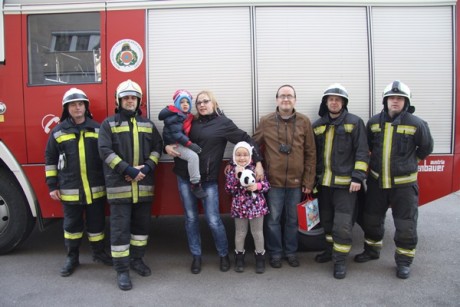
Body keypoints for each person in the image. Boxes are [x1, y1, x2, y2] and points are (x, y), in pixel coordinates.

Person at [165, 90, 263, 274]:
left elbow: (246, 140)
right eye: (199, 102)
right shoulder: (188, 120)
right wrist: (167, 146)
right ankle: (196, 256)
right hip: (184, 177)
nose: (202, 105)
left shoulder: (223, 124)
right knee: (191, 219)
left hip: (208, 180)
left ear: (214, 103)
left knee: (213, 220)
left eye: (206, 101)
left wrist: (257, 162)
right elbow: (171, 134)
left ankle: (223, 254)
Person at [354, 80, 434, 279]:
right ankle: (372, 251)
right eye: (392, 98)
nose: (395, 101)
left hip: (404, 186)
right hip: (377, 182)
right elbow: (368, 146)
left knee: (405, 225)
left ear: (406, 102)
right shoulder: (373, 123)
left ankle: (404, 262)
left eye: (400, 98)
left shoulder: (417, 124)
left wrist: (409, 162)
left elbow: (426, 148)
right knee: (371, 220)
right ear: (385, 101)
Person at [98, 79, 163, 290]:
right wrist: (128, 170)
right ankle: (122, 270)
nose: (129, 101)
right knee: (120, 231)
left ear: (139, 101)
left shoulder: (148, 124)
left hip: (143, 187)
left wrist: (145, 169)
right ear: (118, 101)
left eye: (133, 98)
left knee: (141, 229)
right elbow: (105, 152)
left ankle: (137, 259)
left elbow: (157, 147)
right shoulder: (109, 124)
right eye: (125, 98)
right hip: (120, 188)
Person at [45, 88, 112, 277]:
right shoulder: (58, 132)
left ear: (85, 107)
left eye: (80, 104)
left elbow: (107, 157)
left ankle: (99, 253)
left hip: (95, 189)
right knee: (71, 226)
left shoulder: (97, 129)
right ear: (66, 108)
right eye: (73, 105)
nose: (77, 107)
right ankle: (72, 257)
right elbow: (50, 158)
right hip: (70, 189)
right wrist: (52, 185)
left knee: (97, 225)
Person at [252, 84, 316, 268]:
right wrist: (257, 163)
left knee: (292, 220)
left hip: (297, 182)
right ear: (276, 99)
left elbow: (311, 153)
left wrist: (308, 181)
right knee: (273, 220)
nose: (286, 99)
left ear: (295, 99)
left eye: (289, 96)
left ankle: (291, 252)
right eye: (282, 96)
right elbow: (254, 144)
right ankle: (275, 253)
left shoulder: (304, 121)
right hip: (274, 181)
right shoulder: (266, 121)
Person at [312, 83, 369, 279]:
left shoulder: (354, 122)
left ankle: (340, 262)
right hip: (324, 185)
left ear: (344, 103)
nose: (334, 102)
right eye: (331, 99)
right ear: (326, 102)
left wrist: (358, 177)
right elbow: (313, 156)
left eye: (338, 99)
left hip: (346, 186)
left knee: (342, 225)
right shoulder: (318, 125)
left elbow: (362, 152)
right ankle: (330, 251)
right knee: (327, 223)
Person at [224, 141, 270, 274]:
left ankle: (260, 259)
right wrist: (237, 179)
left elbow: (266, 185)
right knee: (240, 233)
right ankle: (239, 259)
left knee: (257, 233)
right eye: (238, 155)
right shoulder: (232, 170)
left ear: (250, 156)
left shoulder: (256, 168)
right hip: (239, 207)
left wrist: (258, 186)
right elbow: (228, 190)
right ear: (234, 156)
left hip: (256, 207)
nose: (242, 158)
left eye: (245, 155)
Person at [158, 90, 207, 199]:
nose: (185, 104)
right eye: (182, 102)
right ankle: (195, 185)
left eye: (188, 102)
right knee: (193, 157)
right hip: (175, 144)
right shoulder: (175, 117)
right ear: (176, 104)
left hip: (179, 142)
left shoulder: (184, 115)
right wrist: (190, 145)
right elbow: (177, 134)